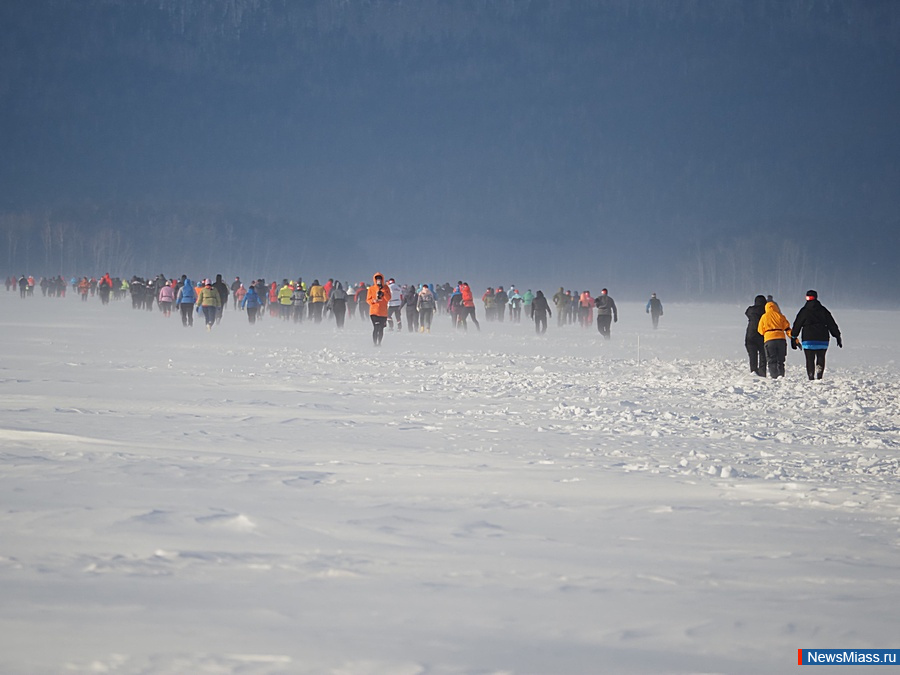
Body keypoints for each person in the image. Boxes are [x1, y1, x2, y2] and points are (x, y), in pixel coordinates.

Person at [791, 290, 842, 381]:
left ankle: (811, 376)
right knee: (821, 357)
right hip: (822, 339)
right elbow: (831, 324)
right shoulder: (823, 310)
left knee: (809, 359)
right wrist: (837, 335)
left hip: (808, 338)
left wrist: (794, 337)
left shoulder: (804, 311)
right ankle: (819, 375)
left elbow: (797, 324)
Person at [757, 300, 792, 379]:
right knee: (781, 360)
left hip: (769, 340)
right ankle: (781, 376)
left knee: (771, 360)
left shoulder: (764, 317)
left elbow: (760, 330)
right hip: (781, 339)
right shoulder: (780, 316)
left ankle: (774, 377)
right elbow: (787, 328)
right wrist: (795, 340)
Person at [744, 295, 768, 376]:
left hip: (750, 336)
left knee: (752, 356)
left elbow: (746, 313)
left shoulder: (750, 310)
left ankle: (753, 372)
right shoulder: (766, 311)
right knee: (763, 356)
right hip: (762, 335)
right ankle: (762, 373)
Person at [367, 273, 391, 346]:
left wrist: (383, 293)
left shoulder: (386, 288)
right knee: (376, 327)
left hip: (383, 312)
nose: (379, 281)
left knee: (381, 328)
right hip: (374, 311)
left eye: (380, 279)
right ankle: (375, 343)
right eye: (377, 280)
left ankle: (379, 343)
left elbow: (388, 299)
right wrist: (373, 301)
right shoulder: (371, 288)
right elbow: (368, 300)